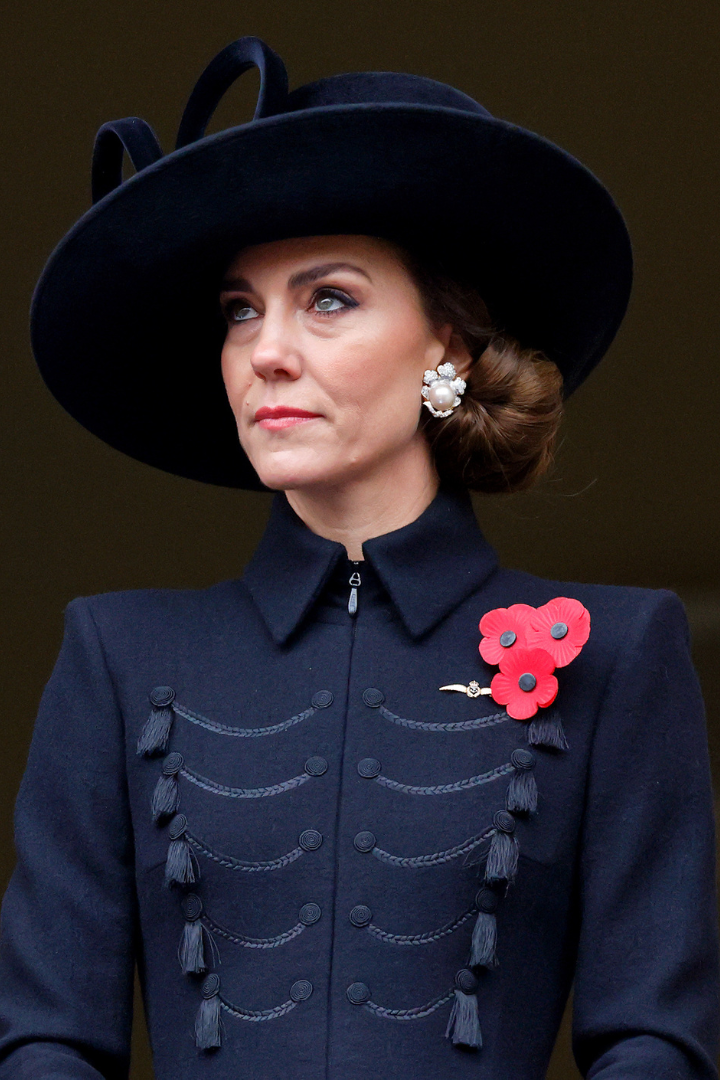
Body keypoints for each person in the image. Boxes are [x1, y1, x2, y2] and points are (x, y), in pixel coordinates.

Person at [0, 34, 717, 1080]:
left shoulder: (619, 651)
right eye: (239, 310)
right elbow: (47, 1041)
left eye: (328, 298)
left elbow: (656, 1041)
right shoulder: (115, 653)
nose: (266, 350)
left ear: (448, 354)